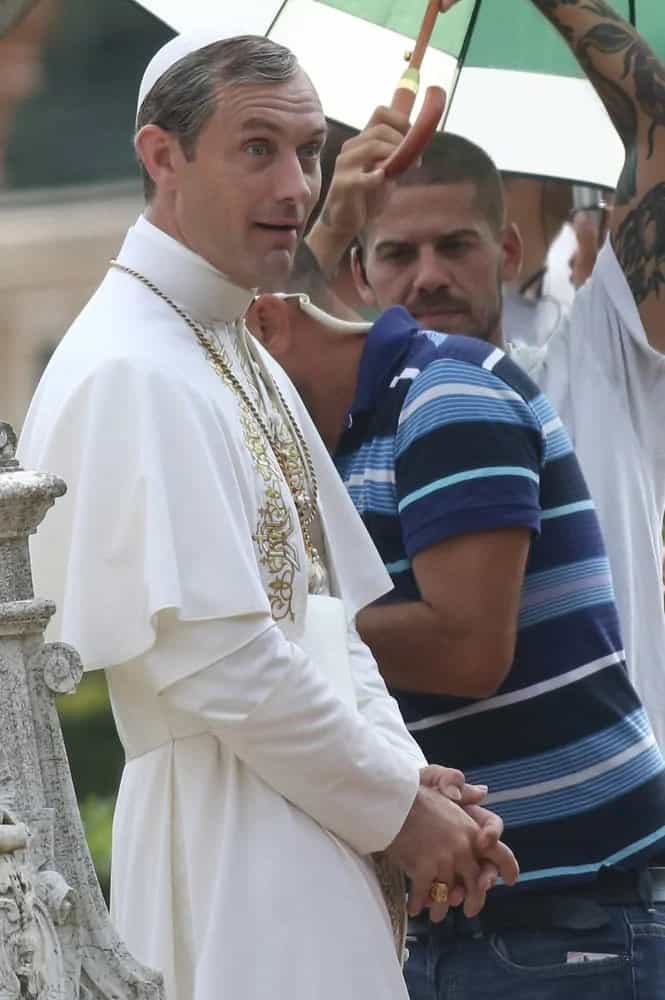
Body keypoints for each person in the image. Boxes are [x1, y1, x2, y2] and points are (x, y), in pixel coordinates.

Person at [17, 29, 519, 1000]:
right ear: (163, 157)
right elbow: (220, 657)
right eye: (258, 149)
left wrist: (406, 779)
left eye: (308, 150)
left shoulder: (230, 341)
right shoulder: (129, 365)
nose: (297, 186)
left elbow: (327, 611)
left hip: (314, 812)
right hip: (228, 840)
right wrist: (396, 811)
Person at [249, 241, 665, 999]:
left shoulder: (445, 396)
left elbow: (467, 648)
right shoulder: (330, 444)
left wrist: (266, 624)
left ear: (266, 324)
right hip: (481, 925)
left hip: (567, 930)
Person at [305, 0, 665, 755]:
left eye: (455, 246)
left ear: (506, 251)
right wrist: (331, 218)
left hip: (628, 851)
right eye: (398, 254)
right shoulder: (332, 426)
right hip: (430, 852)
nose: (429, 276)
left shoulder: (598, 358)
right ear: (358, 273)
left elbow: (653, 118)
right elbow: (238, 357)